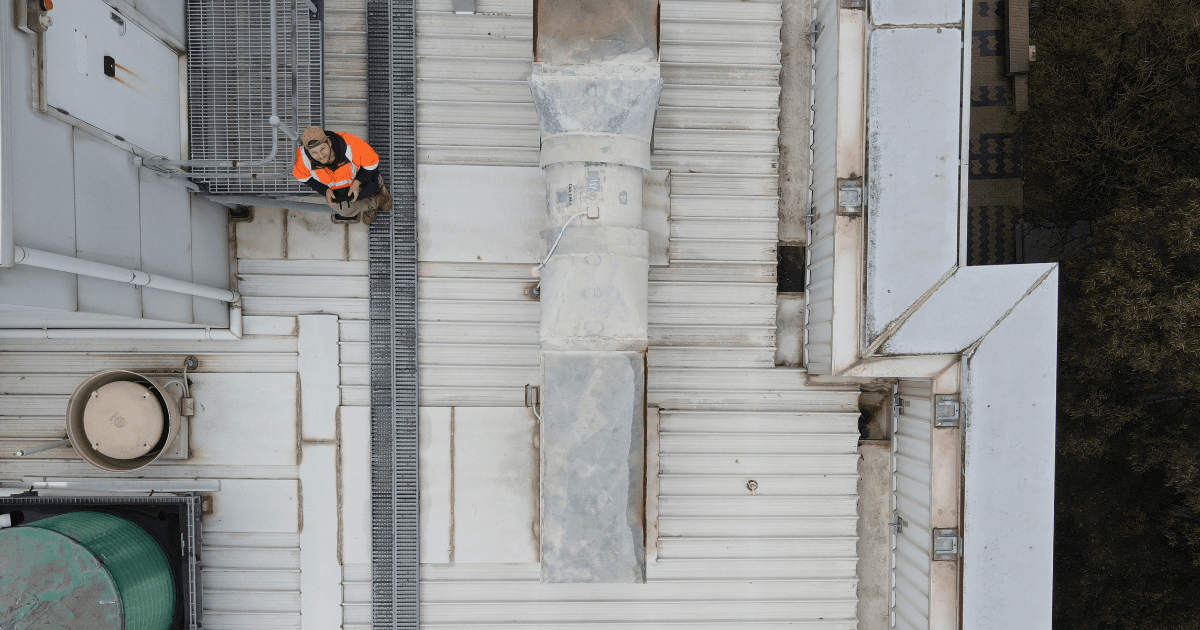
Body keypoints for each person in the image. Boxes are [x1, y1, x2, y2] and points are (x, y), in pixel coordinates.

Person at [293, 127, 392, 224]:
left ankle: (382, 193)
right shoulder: (302, 159)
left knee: (371, 186)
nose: (320, 156)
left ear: (329, 142)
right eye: (314, 152)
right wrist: (325, 190)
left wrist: (357, 182)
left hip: (360, 182)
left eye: (323, 149)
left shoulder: (352, 145)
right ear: (308, 151)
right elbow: (305, 178)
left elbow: (372, 165)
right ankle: (373, 203)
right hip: (338, 191)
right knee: (345, 211)